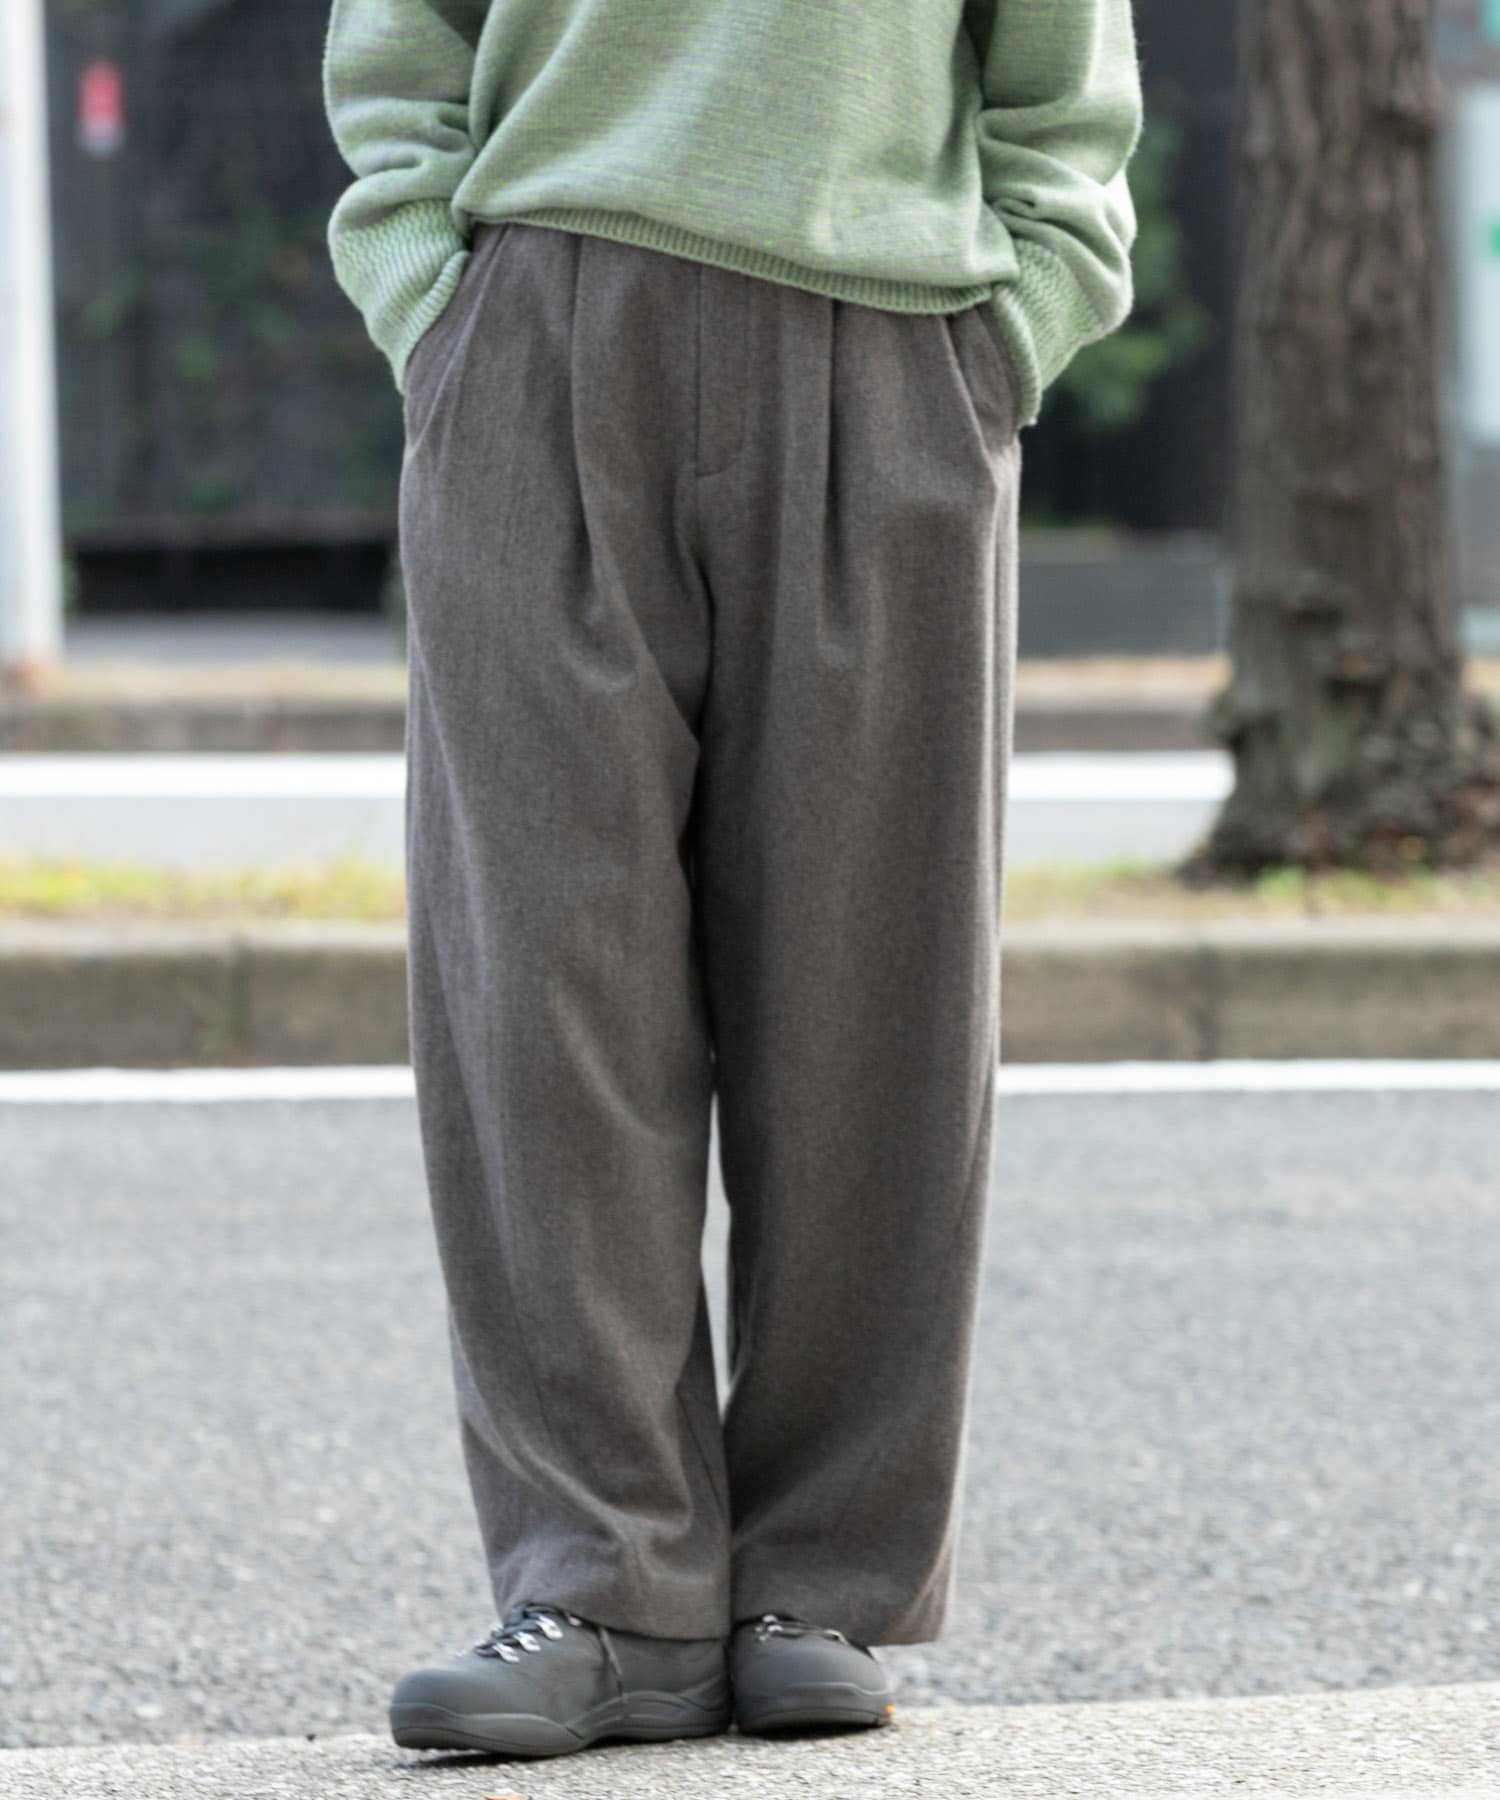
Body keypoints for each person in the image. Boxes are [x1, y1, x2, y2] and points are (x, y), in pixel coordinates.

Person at [322, 0, 1141, 1760]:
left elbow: (1062, 91)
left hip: (890, 346)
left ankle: (820, 1580)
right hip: (538, 334)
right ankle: (604, 1585)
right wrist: (437, 308)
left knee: (876, 1000)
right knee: (542, 998)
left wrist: (1009, 331)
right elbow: (398, 48)